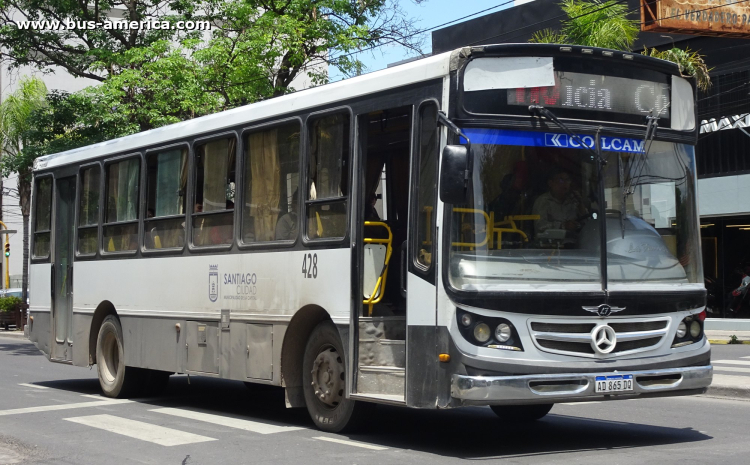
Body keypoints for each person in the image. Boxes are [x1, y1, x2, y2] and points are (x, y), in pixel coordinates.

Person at [532, 169, 588, 236]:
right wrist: (562, 226)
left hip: (575, 243)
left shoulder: (574, 201)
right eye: (561, 180)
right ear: (550, 183)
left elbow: (587, 225)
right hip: (551, 244)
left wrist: (581, 204)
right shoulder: (543, 201)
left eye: (567, 180)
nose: (565, 183)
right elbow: (540, 227)